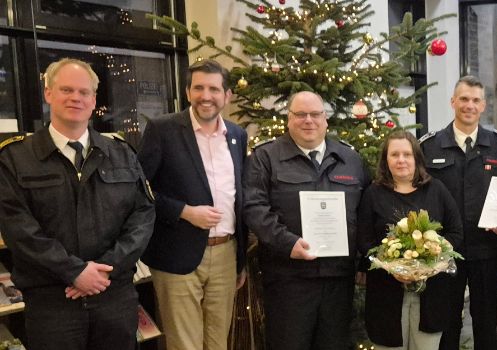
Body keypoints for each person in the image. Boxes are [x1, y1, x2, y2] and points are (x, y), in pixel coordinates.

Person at [0, 58, 154, 350]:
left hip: (113, 296)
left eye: (84, 92)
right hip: (53, 303)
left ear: (94, 100)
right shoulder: (15, 158)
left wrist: (106, 268)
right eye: (66, 90)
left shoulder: (121, 153)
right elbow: (19, 228)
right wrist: (75, 272)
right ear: (48, 94)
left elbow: (142, 216)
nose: (76, 98)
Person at [244, 91, 370, 349]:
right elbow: (254, 207)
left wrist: (364, 262)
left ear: (326, 120)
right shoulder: (266, 157)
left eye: (315, 114)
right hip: (288, 279)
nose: (308, 120)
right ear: (288, 120)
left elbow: (366, 212)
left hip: (338, 279)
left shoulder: (350, 159)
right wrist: (287, 242)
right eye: (300, 114)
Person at [138, 59, 249, 350]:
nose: (206, 95)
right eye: (198, 87)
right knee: (185, 344)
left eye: (214, 88)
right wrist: (184, 212)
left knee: (218, 341)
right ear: (188, 92)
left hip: (226, 252)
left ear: (227, 95)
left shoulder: (237, 135)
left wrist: (241, 262)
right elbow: (139, 191)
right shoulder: (162, 130)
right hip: (177, 254)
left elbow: (239, 195)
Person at [420, 75, 497, 350]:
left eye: (475, 100)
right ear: (453, 102)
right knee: (448, 320)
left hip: (487, 248)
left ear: (483, 105)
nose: (469, 105)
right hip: (445, 249)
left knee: (486, 320)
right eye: (463, 99)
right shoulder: (430, 146)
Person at [358, 130, 463, 350]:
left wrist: (433, 258)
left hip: (431, 294)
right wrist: (388, 265)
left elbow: (455, 231)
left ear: (417, 158)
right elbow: (364, 240)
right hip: (385, 294)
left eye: (407, 154)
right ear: (386, 160)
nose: (401, 160)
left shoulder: (436, 189)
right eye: (394, 154)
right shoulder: (373, 194)